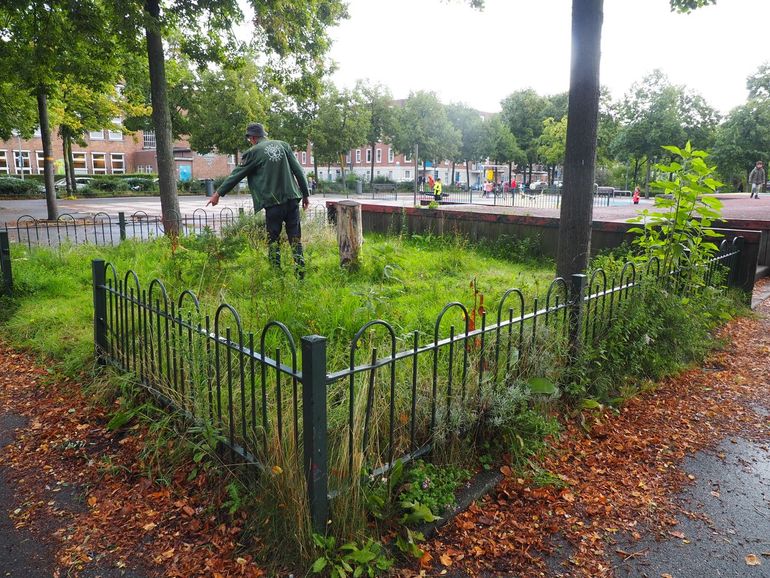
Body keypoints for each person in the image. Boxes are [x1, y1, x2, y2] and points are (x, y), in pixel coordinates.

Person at [207, 122, 310, 277]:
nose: (250, 141)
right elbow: (299, 171)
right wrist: (306, 194)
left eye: (249, 139)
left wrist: (218, 193)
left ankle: (276, 275)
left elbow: (237, 174)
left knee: (273, 240)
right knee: (295, 239)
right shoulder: (284, 145)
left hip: (273, 203)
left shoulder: (253, 152)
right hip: (292, 199)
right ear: (263, 135)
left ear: (253, 138)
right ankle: (300, 275)